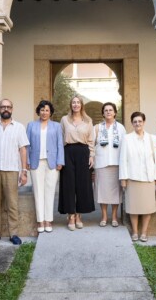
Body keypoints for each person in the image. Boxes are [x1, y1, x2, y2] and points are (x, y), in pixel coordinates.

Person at [0, 99, 29, 245]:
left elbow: (23, 150)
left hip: (11, 170)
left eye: (8, 106)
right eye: (3, 107)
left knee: (12, 204)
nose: (5, 109)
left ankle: (13, 233)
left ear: (12, 109)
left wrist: (24, 171)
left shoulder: (19, 127)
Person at [119, 112, 156, 242]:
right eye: (135, 121)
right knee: (134, 208)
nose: (137, 124)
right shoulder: (127, 138)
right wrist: (123, 178)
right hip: (132, 177)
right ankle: (135, 232)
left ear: (144, 122)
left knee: (147, 207)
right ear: (132, 123)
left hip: (148, 177)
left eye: (140, 121)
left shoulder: (152, 138)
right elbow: (123, 159)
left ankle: (144, 232)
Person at [26, 100, 64, 233]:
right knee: (38, 192)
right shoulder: (31, 125)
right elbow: (27, 145)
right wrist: (27, 161)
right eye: (42, 110)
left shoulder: (56, 126)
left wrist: (60, 161)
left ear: (50, 112)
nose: (44, 112)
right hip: (36, 162)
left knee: (50, 192)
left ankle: (48, 220)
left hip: (52, 163)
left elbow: (60, 144)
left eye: (47, 110)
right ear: (38, 111)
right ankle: (40, 221)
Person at [58, 96, 95, 231]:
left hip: (83, 152)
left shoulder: (88, 121)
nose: (75, 104)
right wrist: (60, 158)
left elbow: (91, 140)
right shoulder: (64, 120)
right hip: (68, 151)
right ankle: (71, 216)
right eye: (73, 102)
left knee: (82, 184)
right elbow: (60, 139)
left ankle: (79, 215)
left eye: (78, 102)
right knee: (68, 185)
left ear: (81, 105)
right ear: (71, 105)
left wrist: (91, 155)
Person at [94, 102, 126, 227]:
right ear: (103, 113)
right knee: (102, 191)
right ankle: (104, 216)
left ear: (115, 113)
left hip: (116, 163)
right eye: (106, 110)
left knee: (115, 192)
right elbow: (92, 144)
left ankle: (114, 216)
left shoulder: (121, 128)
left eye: (110, 110)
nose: (108, 112)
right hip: (101, 163)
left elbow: (125, 146)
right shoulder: (97, 127)